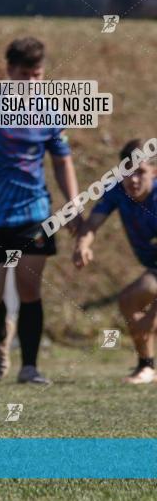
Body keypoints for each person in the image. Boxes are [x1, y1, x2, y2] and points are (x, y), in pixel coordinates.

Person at [0, 37, 80, 385]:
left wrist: (73, 201)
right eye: (24, 75)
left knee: (29, 289)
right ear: (8, 71)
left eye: (36, 76)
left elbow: (61, 161)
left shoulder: (51, 111)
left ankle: (30, 368)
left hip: (34, 213)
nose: (30, 83)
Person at [74, 139, 157, 384]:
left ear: (154, 171)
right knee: (130, 301)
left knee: (146, 310)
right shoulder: (117, 192)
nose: (133, 180)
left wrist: (153, 315)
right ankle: (147, 366)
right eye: (127, 172)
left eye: (140, 172)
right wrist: (83, 245)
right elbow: (94, 221)